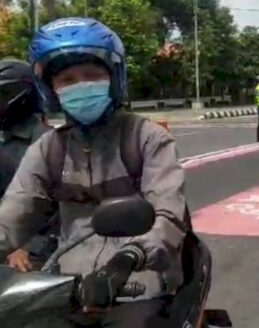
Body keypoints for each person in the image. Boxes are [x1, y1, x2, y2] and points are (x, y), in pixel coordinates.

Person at [0, 17, 188, 327]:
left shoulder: (146, 138)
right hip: (68, 286)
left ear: (113, 78)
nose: (80, 86)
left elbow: (168, 216)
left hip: (140, 282)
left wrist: (129, 259)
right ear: (51, 90)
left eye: (91, 75)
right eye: (68, 80)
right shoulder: (48, 149)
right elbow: (13, 215)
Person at [0, 58, 53, 271]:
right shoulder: (4, 139)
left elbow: (61, 212)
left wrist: (26, 246)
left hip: (37, 255)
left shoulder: (49, 144)